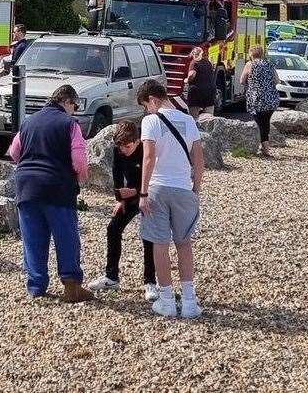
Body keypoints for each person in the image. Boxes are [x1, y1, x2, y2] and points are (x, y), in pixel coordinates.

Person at [8, 84, 94, 303]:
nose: (74, 110)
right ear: (67, 101)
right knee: (66, 236)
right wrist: (81, 177)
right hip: (57, 185)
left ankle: (36, 286)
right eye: (74, 105)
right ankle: (71, 286)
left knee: (32, 237)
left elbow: (14, 151)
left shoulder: (29, 121)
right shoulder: (69, 124)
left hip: (26, 185)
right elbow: (79, 160)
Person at [136, 79, 205, 319]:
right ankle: (188, 300)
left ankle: (166, 299)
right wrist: (195, 189)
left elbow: (148, 158)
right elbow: (198, 161)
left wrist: (142, 193)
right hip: (183, 188)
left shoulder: (151, 121)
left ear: (153, 100)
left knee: (160, 244)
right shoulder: (188, 121)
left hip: (157, 187)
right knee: (184, 243)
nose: (147, 110)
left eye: (146, 105)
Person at [86, 120, 156, 300]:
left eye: (127, 145)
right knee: (113, 228)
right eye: (120, 146)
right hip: (131, 193)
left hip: (149, 193)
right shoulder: (118, 151)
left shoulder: (145, 149)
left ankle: (150, 281)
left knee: (148, 235)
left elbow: (152, 174)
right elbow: (116, 173)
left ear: (137, 141)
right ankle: (111, 276)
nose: (123, 149)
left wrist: (139, 192)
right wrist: (120, 198)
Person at [239, 46, 279, 157]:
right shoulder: (270, 65)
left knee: (259, 122)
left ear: (251, 54)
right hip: (271, 98)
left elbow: (242, 80)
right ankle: (264, 145)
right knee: (265, 121)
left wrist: (252, 83)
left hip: (256, 98)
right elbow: (277, 80)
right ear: (261, 54)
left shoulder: (249, 65)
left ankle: (265, 147)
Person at [184, 46, 216, 118]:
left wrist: (187, 80)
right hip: (209, 92)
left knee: (194, 117)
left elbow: (192, 74)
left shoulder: (194, 63)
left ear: (193, 54)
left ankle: (195, 128)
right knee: (209, 117)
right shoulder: (208, 63)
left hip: (196, 93)